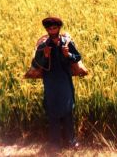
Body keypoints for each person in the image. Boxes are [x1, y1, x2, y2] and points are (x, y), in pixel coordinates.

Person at [31, 16, 81, 150]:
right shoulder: (43, 46)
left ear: (59, 28)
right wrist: (45, 56)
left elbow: (78, 57)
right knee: (52, 111)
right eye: (49, 28)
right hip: (50, 83)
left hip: (65, 81)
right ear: (46, 29)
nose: (52, 30)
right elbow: (35, 64)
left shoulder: (67, 43)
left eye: (55, 28)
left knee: (67, 110)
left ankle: (71, 141)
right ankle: (54, 143)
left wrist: (68, 55)